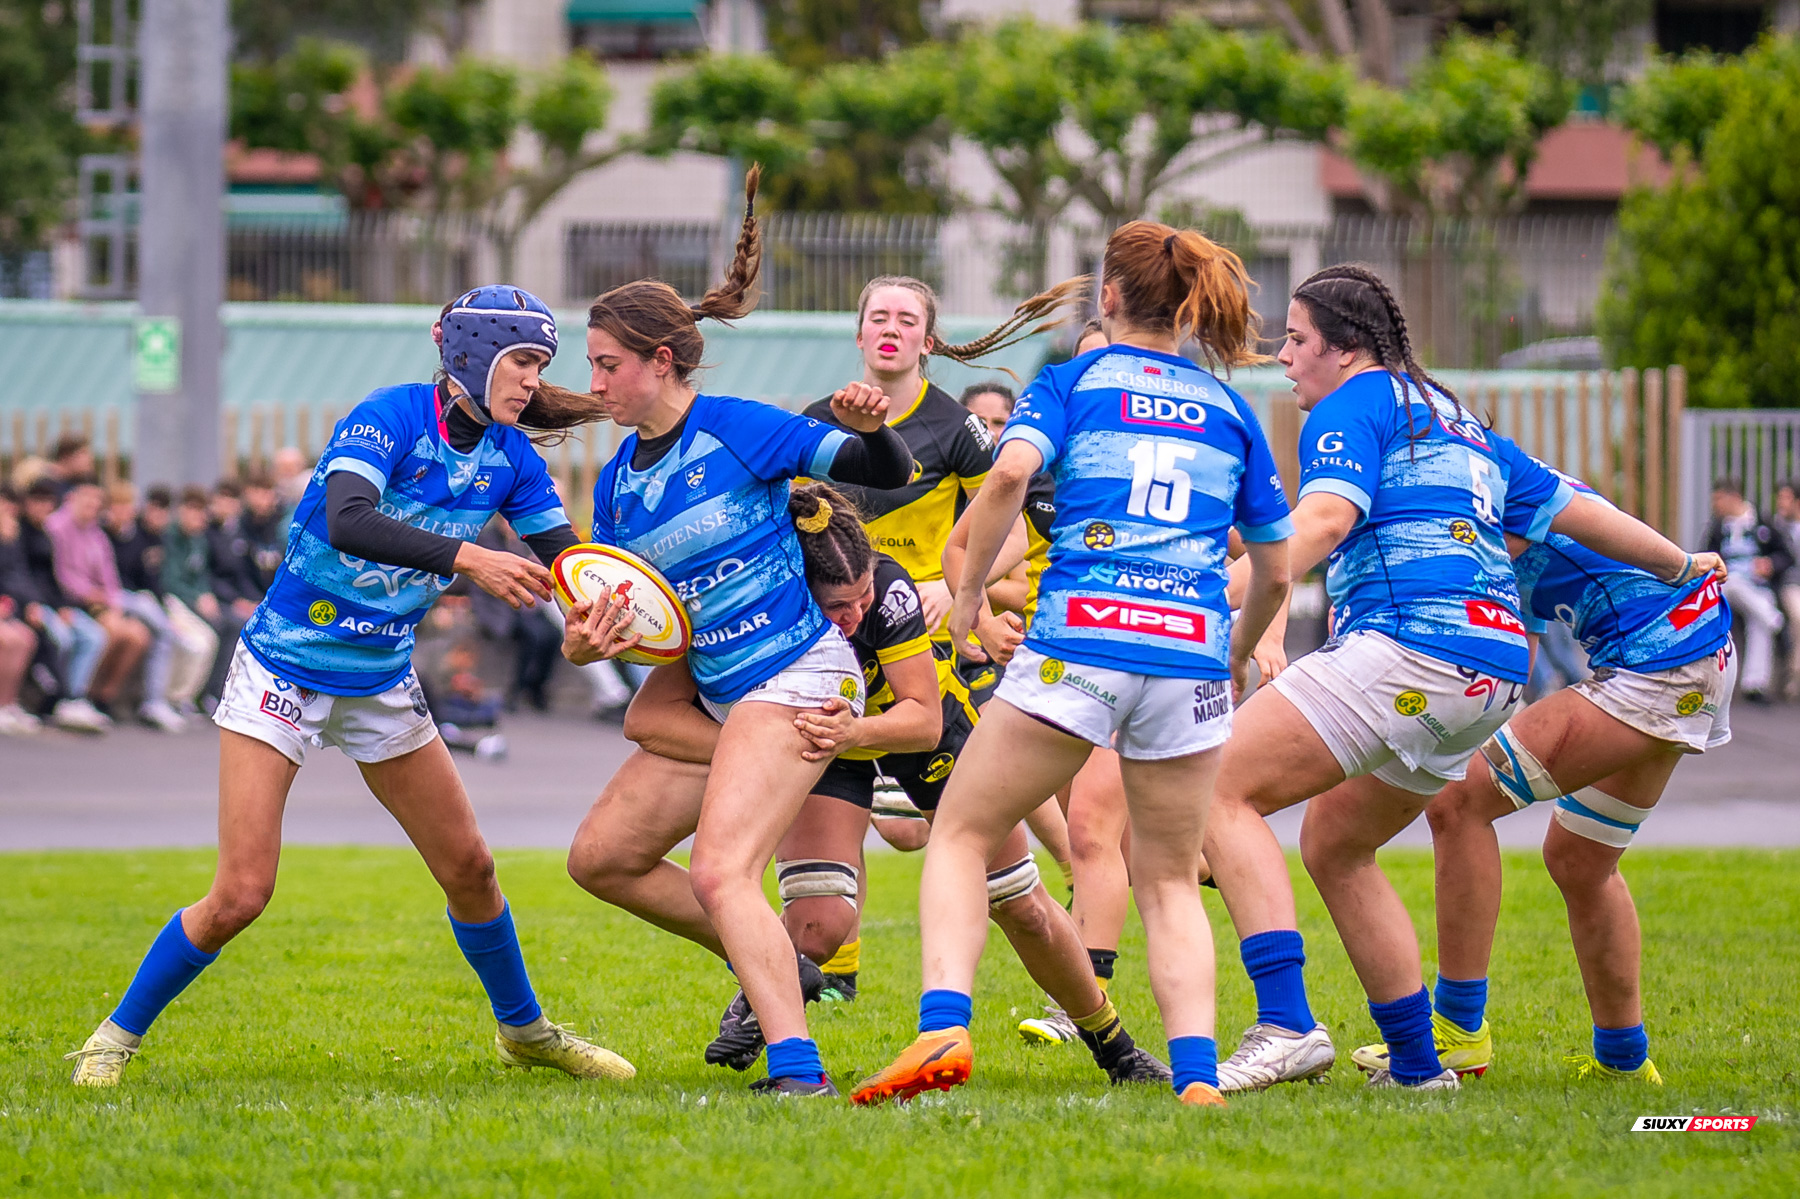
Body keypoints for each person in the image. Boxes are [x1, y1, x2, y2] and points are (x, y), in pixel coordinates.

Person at [65, 284, 633, 1088]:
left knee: (471, 866)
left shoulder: (512, 458)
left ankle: (526, 1031)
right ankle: (111, 1039)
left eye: (540, 365)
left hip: (379, 680)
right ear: (468, 356)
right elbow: (348, 518)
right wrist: (469, 557)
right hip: (284, 670)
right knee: (241, 893)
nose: (531, 382)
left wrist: (591, 618)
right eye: (519, 362)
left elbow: (569, 563)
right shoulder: (389, 415)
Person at [1198, 263, 1725, 1093]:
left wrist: (1221, 600)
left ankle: (1286, 1025)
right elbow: (1577, 508)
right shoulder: (1461, 422)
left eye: (1296, 339)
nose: (1284, 356)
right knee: (1336, 841)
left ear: (1346, 348)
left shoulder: (1352, 404)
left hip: (1412, 648)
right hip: (1491, 672)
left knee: (1216, 787)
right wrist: (1679, 557)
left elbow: (1326, 517)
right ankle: (1418, 1066)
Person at [852, 218, 1294, 1109]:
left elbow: (1009, 477)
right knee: (1168, 876)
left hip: (1081, 642)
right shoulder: (1232, 408)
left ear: (1112, 297)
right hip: (1189, 659)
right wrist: (1236, 657)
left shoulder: (1073, 381)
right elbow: (1277, 568)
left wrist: (969, 597)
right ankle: (1199, 1079)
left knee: (964, 832)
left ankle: (944, 1024)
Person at [561, 167, 940, 1097]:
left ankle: (798, 1068)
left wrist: (876, 426)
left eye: (608, 362)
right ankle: (776, 958)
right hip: (729, 694)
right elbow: (648, 620)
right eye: (591, 363)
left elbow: (879, 472)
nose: (594, 381)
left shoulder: (738, 429)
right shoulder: (616, 483)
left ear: (661, 359)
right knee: (600, 859)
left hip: (801, 675)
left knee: (724, 870)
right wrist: (592, 639)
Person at [1384, 471, 1736, 1086]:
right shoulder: (1480, 482)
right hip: (1690, 648)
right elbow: (1509, 648)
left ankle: (1458, 1032)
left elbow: (1461, 586)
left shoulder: (1481, 491)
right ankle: (1625, 1063)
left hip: (1658, 659)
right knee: (1579, 859)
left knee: (1459, 802)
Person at [801, 276, 1002, 638]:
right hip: (835, 624)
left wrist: (953, 586)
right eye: (878, 319)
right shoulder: (819, 420)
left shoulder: (957, 426)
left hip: (923, 626)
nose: (891, 330)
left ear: (927, 343)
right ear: (860, 336)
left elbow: (1011, 533)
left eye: (906, 321)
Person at [20, 478, 119, 731]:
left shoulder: (48, 531)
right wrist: (41, 604)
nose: (43, 508)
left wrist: (61, 605)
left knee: (94, 636)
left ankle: (75, 697)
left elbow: (53, 579)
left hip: (56, 603)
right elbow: (48, 576)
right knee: (62, 638)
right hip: (32, 604)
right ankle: (56, 698)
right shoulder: (50, 529)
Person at [99, 481, 187, 731]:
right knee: (166, 630)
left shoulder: (135, 536)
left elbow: (146, 577)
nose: (124, 511)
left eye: (128, 506)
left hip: (134, 598)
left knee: (155, 632)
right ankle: (154, 701)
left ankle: (155, 701)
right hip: (113, 596)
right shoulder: (102, 534)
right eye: (119, 506)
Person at [1703, 478, 1790, 704]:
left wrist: (1769, 564)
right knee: (1735, 584)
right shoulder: (1717, 528)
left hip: (1757, 586)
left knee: (1758, 620)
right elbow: (1706, 557)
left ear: (1733, 497)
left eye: (1719, 499)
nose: (1716, 505)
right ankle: (1774, 619)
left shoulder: (1762, 523)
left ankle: (1755, 684)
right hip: (1726, 585)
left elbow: (1785, 556)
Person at [0, 486, 42, 734]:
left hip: (6, 607)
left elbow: (16, 576)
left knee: (25, 638)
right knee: (7, 640)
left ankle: (8, 703)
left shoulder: (11, 535)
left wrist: (30, 602)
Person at [1775, 480, 1800, 699]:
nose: (1780, 503)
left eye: (1785, 498)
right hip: (1789, 586)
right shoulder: (1775, 528)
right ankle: (1795, 675)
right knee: (1799, 617)